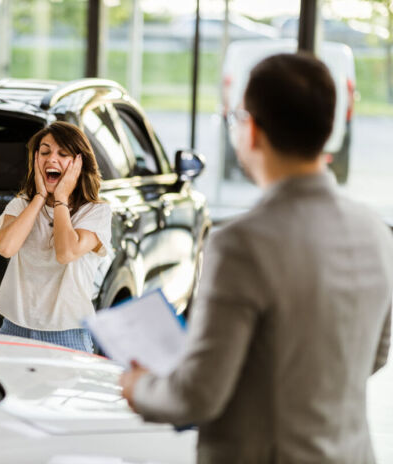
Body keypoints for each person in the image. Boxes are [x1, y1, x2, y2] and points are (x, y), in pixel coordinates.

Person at [120, 53, 393, 463]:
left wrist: (139, 387)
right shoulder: (376, 231)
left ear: (252, 130)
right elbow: (374, 354)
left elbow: (197, 396)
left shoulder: (241, 244)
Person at [0, 121, 112, 352]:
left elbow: (66, 252)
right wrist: (39, 197)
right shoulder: (21, 205)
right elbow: (5, 248)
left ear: (79, 163)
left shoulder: (96, 212)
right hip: (14, 329)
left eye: (63, 153)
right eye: (45, 152)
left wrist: (60, 199)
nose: (51, 159)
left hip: (67, 333)